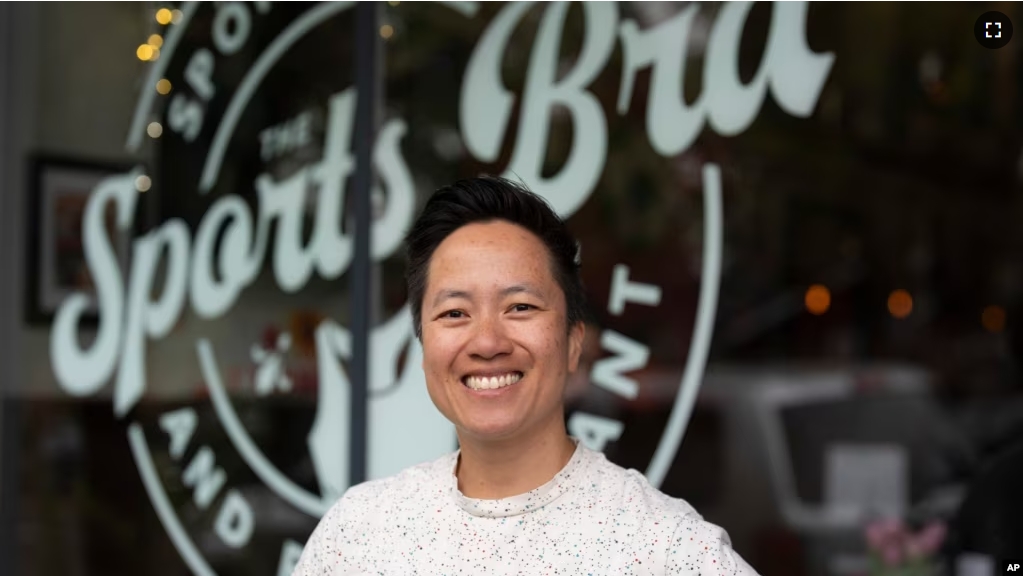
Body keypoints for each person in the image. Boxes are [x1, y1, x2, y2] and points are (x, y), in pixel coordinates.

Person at [292, 176, 758, 575]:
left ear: (574, 341)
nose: (488, 342)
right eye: (455, 312)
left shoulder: (664, 549)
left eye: (520, 307)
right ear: (423, 346)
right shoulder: (358, 535)